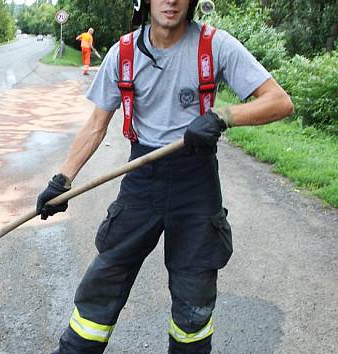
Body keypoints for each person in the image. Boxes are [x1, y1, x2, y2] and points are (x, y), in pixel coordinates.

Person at [36, 0, 293, 353]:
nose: (170, 1)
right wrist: (61, 181)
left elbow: (279, 101)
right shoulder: (123, 53)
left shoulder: (215, 45)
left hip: (197, 182)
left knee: (194, 296)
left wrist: (223, 117)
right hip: (142, 177)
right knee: (104, 281)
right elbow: (96, 126)